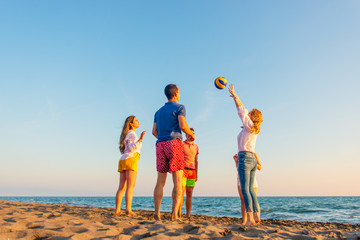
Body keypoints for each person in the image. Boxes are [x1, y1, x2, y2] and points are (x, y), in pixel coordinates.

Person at [152, 84, 195, 221]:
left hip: (160, 144)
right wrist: (190, 135)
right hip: (174, 143)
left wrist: (163, 138)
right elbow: (182, 125)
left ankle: (157, 213)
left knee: (160, 181)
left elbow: (154, 132)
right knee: (177, 181)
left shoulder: (158, 112)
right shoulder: (180, 107)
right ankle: (174, 215)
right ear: (176, 93)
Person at [228, 84, 263, 225]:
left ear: (251, 117)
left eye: (250, 114)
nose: (247, 114)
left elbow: (241, 110)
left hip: (245, 158)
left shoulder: (249, 125)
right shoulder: (252, 129)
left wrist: (235, 95)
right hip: (251, 159)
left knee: (244, 189)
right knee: (250, 190)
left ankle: (248, 219)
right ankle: (256, 215)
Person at [115, 116, 146, 216]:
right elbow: (132, 148)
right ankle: (128, 210)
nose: (138, 122)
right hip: (131, 159)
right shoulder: (132, 134)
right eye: (136, 120)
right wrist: (140, 139)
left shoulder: (126, 134)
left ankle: (117, 210)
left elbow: (125, 149)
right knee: (130, 186)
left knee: (121, 187)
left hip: (123, 159)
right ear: (131, 124)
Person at [233, 154, 261, 225]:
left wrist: (249, 164)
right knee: (243, 201)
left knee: (253, 200)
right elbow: (238, 168)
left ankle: (256, 218)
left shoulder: (253, 154)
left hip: (251, 180)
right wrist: (236, 162)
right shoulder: (240, 154)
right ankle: (244, 221)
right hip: (240, 179)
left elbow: (259, 167)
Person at [179, 128, 199, 219]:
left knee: (189, 193)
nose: (190, 135)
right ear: (186, 135)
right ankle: (178, 213)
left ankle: (188, 215)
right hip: (182, 171)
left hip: (192, 172)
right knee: (181, 192)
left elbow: (196, 160)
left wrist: (197, 173)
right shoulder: (182, 144)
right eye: (189, 133)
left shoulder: (196, 146)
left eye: (193, 133)